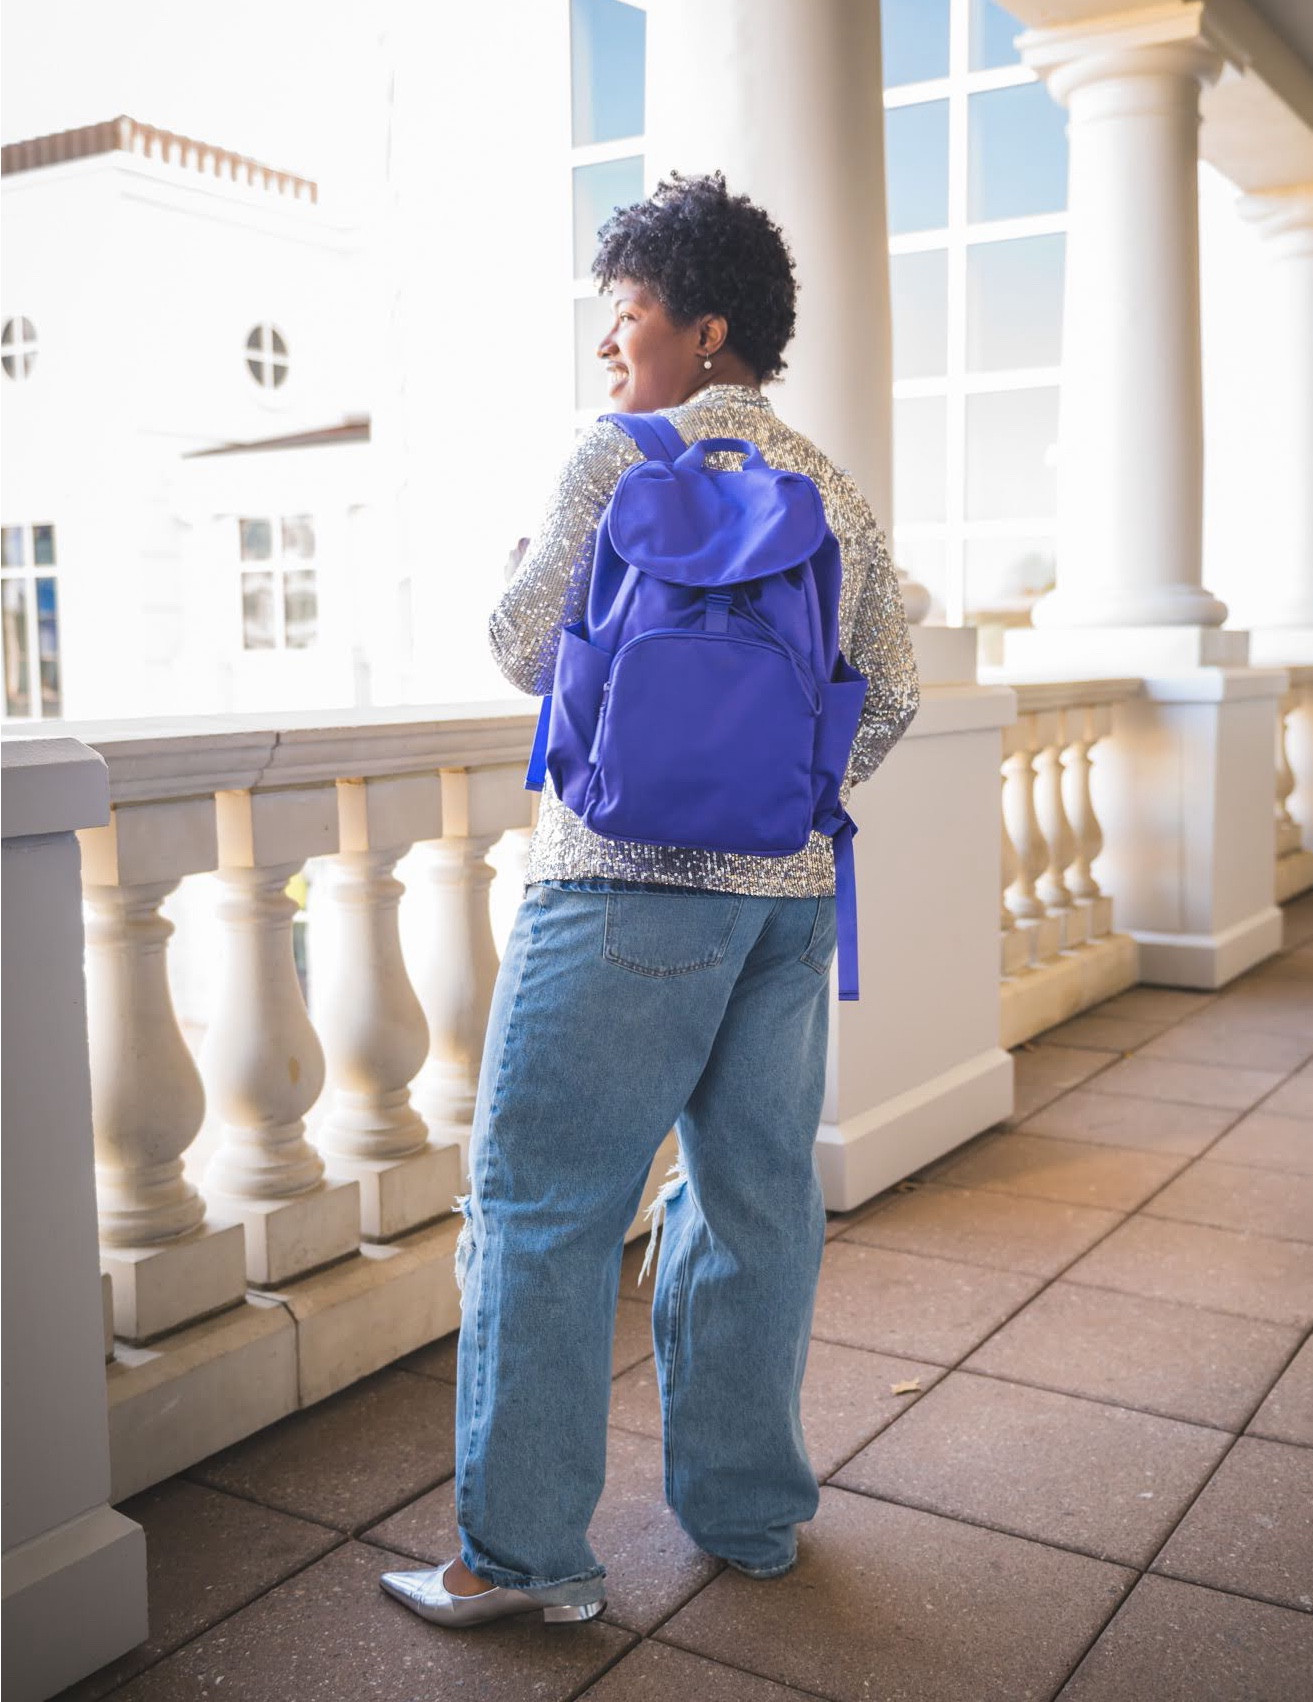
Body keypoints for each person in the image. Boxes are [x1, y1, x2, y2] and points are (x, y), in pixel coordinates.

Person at [380, 171, 919, 1629]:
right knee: (751, 1207)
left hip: (614, 888)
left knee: (542, 1209)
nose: (610, 348)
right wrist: (777, 812)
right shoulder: (838, 492)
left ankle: (519, 1554)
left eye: (625, 317)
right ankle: (745, 1513)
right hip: (785, 900)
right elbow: (894, 692)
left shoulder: (611, 459)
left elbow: (516, 641)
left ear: (704, 326)